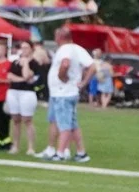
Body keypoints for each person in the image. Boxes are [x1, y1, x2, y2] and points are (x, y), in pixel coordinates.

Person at [45, 27, 94, 162]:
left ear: (60, 37)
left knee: (64, 124)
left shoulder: (64, 49)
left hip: (62, 93)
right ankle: (81, 152)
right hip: (70, 91)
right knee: (73, 124)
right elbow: (92, 66)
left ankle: (60, 153)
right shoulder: (77, 48)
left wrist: (62, 76)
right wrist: (84, 82)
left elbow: (65, 64)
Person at [6, 40, 38, 155]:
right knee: (15, 119)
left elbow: (27, 75)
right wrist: (22, 79)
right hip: (14, 91)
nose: (23, 50)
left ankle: (31, 147)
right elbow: (9, 76)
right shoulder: (14, 62)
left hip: (27, 93)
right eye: (22, 48)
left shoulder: (34, 63)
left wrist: (25, 64)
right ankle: (15, 145)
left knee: (27, 120)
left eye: (26, 48)